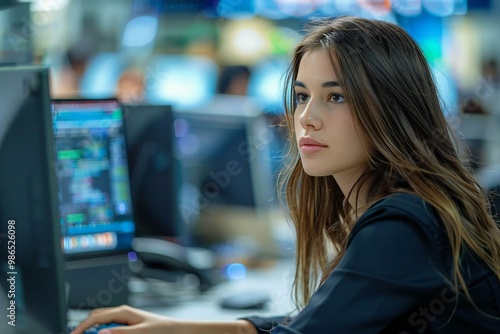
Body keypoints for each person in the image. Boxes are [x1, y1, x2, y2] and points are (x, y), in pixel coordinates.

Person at [71, 16, 500, 334]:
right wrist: (176, 327)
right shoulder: (408, 208)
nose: (306, 119)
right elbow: (317, 321)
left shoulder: (405, 225)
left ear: (391, 108)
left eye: (336, 96)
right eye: (301, 96)